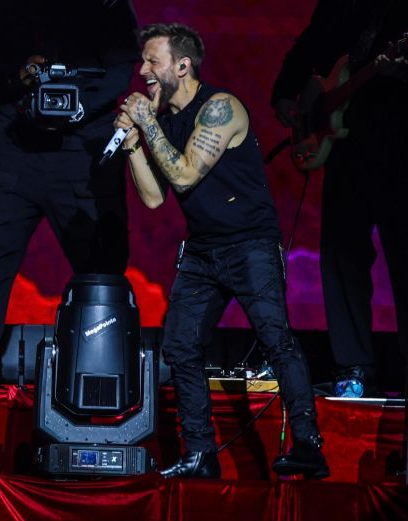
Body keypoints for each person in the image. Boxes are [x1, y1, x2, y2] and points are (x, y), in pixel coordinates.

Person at [115, 23, 329, 479]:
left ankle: (309, 445)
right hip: (203, 251)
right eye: (142, 61)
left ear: (182, 65)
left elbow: (185, 176)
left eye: (152, 61)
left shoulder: (220, 107)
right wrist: (133, 144)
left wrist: (147, 124)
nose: (143, 70)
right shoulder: (165, 120)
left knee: (275, 338)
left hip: (249, 244)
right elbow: (153, 198)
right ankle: (200, 454)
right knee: (179, 344)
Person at [0, 0, 139, 388]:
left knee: (102, 262)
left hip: (85, 139)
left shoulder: (108, 4)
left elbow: (123, 63)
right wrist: (17, 77)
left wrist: (81, 107)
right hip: (14, 136)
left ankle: (105, 364)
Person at [271, 0, 408, 398]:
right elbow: (311, 42)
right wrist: (286, 91)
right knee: (341, 256)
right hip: (345, 145)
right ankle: (352, 365)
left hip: (397, 141)